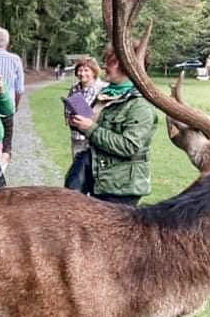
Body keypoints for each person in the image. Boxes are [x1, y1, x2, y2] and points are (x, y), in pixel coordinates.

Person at [68, 44, 158, 206]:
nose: (105, 66)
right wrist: (78, 123)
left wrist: (90, 128)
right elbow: (95, 128)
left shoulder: (140, 105)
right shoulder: (107, 94)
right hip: (97, 178)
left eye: (110, 62)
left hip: (119, 188)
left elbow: (129, 146)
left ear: (124, 64)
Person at [0, 27, 26, 168]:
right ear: (7, 42)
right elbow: (19, 89)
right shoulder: (15, 59)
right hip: (7, 105)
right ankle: (2, 165)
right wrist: (15, 105)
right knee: (6, 140)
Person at [65, 56, 108, 158]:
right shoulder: (74, 89)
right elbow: (68, 111)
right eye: (80, 70)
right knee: (77, 166)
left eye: (86, 70)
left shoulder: (104, 89)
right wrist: (69, 118)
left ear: (94, 72)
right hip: (77, 139)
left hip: (96, 140)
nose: (82, 73)